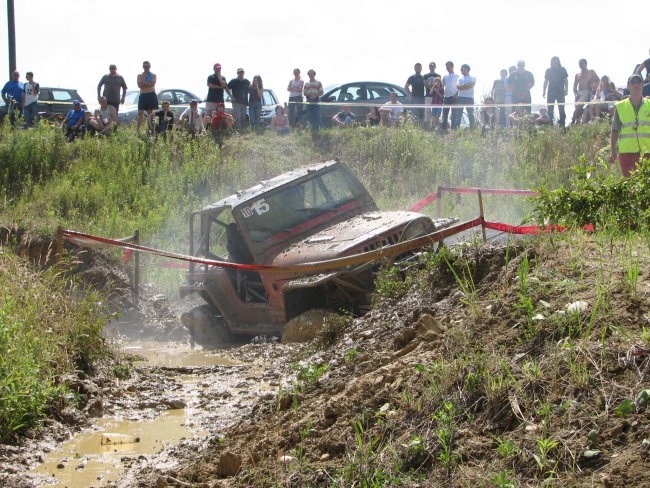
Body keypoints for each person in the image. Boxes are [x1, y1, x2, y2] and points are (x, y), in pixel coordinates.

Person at [609, 74, 650, 177]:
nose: (636, 84)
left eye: (639, 82)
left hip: (648, 153)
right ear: (628, 86)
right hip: (627, 154)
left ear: (642, 85)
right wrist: (613, 151)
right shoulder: (621, 107)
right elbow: (615, 130)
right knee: (631, 187)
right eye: (633, 82)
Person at [543, 56, 568, 127]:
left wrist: (566, 89)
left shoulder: (562, 69)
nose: (555, 62)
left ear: (558, 61)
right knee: (550, 109)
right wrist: (543, 91)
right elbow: (546, 81)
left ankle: (562, 124)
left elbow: (566, 80)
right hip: (551, 92)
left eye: (556, 60)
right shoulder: (548, 70)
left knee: (561, 109)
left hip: (560, 92)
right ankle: (550, 124)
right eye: (553, 60)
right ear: (551, 62)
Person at [572, 59, 599, 125]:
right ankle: (575, 121)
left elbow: (598, 80)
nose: (581, 65)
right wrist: (575, 94)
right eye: (580, 64)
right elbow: (574, 86)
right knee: (577, 107)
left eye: (582, 63)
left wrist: (595, 89)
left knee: (579, 106)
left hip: (588, 92)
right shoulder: (577, 75)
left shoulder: (591, 72)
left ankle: (573, 120)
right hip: (579, 92)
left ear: (586, 64)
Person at [136, 61, 158, 132]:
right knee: (140, 113)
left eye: (147, 66)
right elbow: (140, 85)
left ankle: (151, 129)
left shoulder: (153, 75)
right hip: (143, 95)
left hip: (151, 94)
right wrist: (147, 83)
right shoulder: (139, 75)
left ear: (150, 67)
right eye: (145, 66)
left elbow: (152, 84)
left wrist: (144, 82)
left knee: (150, 113)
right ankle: (137, 130)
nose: (146, 68)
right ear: (143, 67)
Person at [454, 64, 476, 129]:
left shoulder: (473, 77)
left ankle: (473, 130)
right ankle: (457, 130)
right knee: (458, 115)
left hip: (469, 98)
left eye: (462, 69)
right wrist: (466, 86)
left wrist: (462, 87)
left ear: (466, 69)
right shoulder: (460, 78)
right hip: (460, 98)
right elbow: (458, 86)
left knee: (470, 115)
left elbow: (471, 85)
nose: (460, 70)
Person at [441, 61, 459, 131]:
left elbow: (459, 87)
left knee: (454, 114)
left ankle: (453, 129)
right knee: (445, 113)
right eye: (446, 67)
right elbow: (442, 87)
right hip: (446, 97)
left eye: (448, 66)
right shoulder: (445, 77)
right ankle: (444, 129)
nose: (447, 68)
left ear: (452, 66)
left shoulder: (457, 76)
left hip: (454, 97)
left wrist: (456, 94)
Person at [423, 62, 441, 128]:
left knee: (435, 111)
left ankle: (434, 125)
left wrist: (431, 86)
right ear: (429, 67)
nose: (431, 67)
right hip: (428, 95)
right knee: (427, 110)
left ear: (435, 67)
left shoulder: (438, 76)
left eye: (433, 66)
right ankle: (427, 125)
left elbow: (438, 85)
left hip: (436, 96)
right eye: (430, 66)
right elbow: (425, 85)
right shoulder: (425, 75)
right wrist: (433, 87)